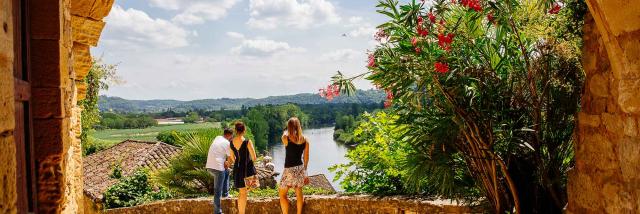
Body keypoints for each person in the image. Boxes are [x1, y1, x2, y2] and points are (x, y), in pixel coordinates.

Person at [278, 117, 310, 214]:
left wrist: (286, 130)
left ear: (289, 127)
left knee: (282, 194)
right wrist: (304, 171)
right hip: (300, 168)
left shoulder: (286, 138)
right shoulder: (305, 140)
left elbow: (284, 134)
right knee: (299, 192)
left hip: (289, 169)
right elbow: (306, 157)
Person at [228, 122, 257, 214]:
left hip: (237, 169)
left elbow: (232, 158)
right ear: (244, 130)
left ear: (236, 130)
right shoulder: (247, 142)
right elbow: (254, 157)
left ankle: (241, 212)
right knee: (245, 192)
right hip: (247, 170)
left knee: (242, 192)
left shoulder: (231, 142)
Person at [206, 128, 234, 214]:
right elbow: (231, 159)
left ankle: (225, 194)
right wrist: (228, 163)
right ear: (230, 135)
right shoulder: (227, 143)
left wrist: (226, 164)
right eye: (232, 136)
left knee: (227, 171)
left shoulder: (217, 137)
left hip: (209, 166)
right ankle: (217, 212)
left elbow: (218, 151)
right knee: (217, 191)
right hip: (218, 168)